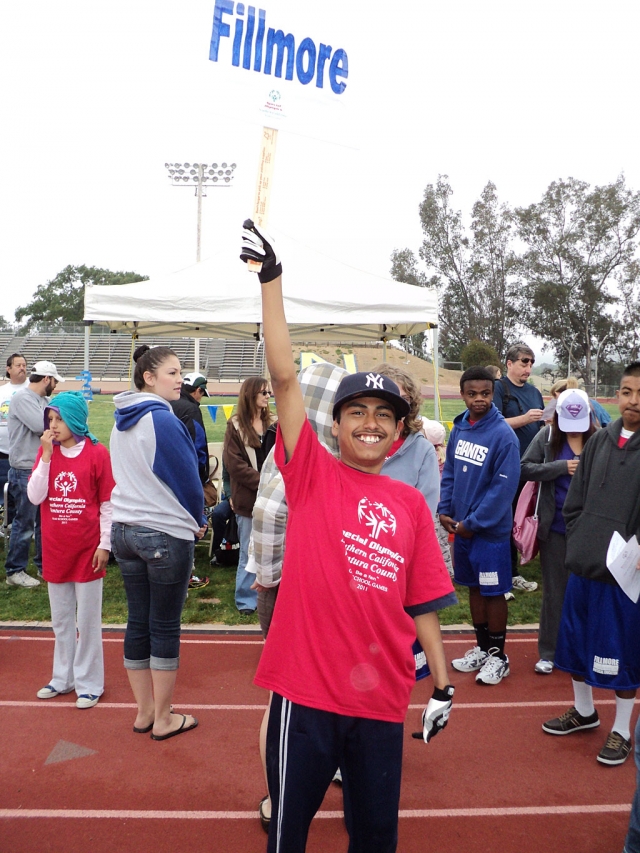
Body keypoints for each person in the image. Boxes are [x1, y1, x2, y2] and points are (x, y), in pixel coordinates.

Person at [240, 220, 456, 853]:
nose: (369, 423)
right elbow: (283, 378)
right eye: (355, 412)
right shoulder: (311, 474)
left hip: (382, 700)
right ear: (334, 427)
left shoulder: (411, 503)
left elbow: (423, 606)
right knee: (289, 835)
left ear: (398, 434)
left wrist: (442, 684)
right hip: (305, 696)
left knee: (374, 838)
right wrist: (272, 283)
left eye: (383, 416)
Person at [542, 362, 640, 767]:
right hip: (584, 564)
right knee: (577, 644)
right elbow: (574, 500)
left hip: (625, 575)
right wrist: (581, 539)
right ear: (616, 395)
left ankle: (621, 730)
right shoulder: (600, 441)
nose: (633, 401)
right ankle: (584, 712)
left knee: (620, 652)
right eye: (627, 391)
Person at [110, 344, 206, 740]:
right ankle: (163, 718)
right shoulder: (163, 421)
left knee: (138, 621)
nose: (180, 379)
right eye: (172, 371)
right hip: (163, 531)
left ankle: (145, 712)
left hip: (125, 530)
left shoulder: (120, 421)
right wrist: (198, 520)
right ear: (148, 377)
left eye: (180, 372)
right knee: (164, 626)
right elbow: (187, 479)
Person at [28, 392, 115, 709]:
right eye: (50, 419)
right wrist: (47, 457)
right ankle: (62, 677)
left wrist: (105, 544)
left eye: (59, 418)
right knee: (61, 620)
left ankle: (90, 683)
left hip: (88, 551)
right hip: (55, 549)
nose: (53, 425)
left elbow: (107, 503)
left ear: (75, 419)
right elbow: (36, 497)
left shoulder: (97, 453)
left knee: (88, 620)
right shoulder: (45, 452)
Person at [438, 366, 521, 685]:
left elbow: (503, 490)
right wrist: (445, 509)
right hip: (462, 530)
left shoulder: (503, 435)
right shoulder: (459, 428)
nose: (479, 400)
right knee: (473, 588)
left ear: (493, 393)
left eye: (485, 393)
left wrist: (473, 523)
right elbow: (450, 473)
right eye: (472, 394)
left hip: (488, 534)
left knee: (493, 591)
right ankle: (483, 648)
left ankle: (499, 656)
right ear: (462, 394)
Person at [520, 389, 597, 674]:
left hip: (589, 530)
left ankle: (583, 648)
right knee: (555, 593)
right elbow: (524, 468)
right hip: (554, 527)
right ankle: (549, 652)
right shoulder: (548, 436)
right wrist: (560, 467)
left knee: (588, 592)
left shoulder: (599, 439)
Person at [5, 360, 64, 588]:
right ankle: (15, 570)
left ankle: (43, 565)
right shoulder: (22, 398)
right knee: (25, 522)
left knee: (43, 522)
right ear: (47, 379)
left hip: (39, 467)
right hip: (25, 469)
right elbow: (42, 426)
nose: (55, 386)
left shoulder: (43, 400)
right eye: (55, 381)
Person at [492, 344, 544, 593]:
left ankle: (526, 566)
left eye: (531, 362)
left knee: (529, 518)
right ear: (509, 363)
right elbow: (492, 424)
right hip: (506, 466)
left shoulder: (535, 392)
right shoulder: (498, 389)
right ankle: (508, 574)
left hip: (533, 467)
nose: (528, 367)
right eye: (524, 362)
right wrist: (525, 419)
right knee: (507, 519)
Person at [222, 376, 276, 614]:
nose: (267, 396)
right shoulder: (235, 425)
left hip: (275, 499)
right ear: (250, 394)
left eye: (269, 393)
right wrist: (263, 483)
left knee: (275, 550)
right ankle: (246, 600)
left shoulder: (275, 423)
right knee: (248, 549)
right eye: (263, 393)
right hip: (249, 499)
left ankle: (273, 598)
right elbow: (234, 464)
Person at [171, 371, 210, 590]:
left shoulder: (167, 402)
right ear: (197, 391)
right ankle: (185, 575)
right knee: (192, 525)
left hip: (164, 475)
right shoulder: (192, 409)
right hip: (187, 476)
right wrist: (202, 477)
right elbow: (199, 447)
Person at [0, 353, 28, 523]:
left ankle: (20, 525)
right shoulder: (2, 391)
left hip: (24, 455)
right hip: (2, 453)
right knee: (5, 493)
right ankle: (8, 525)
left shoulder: (32, 389)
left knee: (22, 496)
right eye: (18, 365)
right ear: (8, 369)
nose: (22, 368)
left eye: (24, 365)